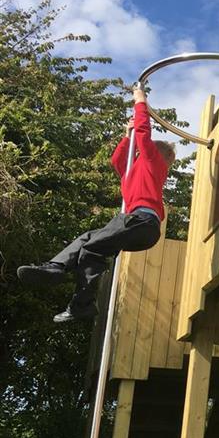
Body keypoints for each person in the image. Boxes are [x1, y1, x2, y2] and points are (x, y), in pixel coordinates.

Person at [17, 86, 176, 323]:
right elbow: (118, 160)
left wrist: (140, 101)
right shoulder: (134, 172)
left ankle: (72, 290)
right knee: (90, 243)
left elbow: (144, 133)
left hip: (141, 220)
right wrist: (126, 136)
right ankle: (62, 275)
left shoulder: (153, 163)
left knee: (93, 246)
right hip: (142, 228)